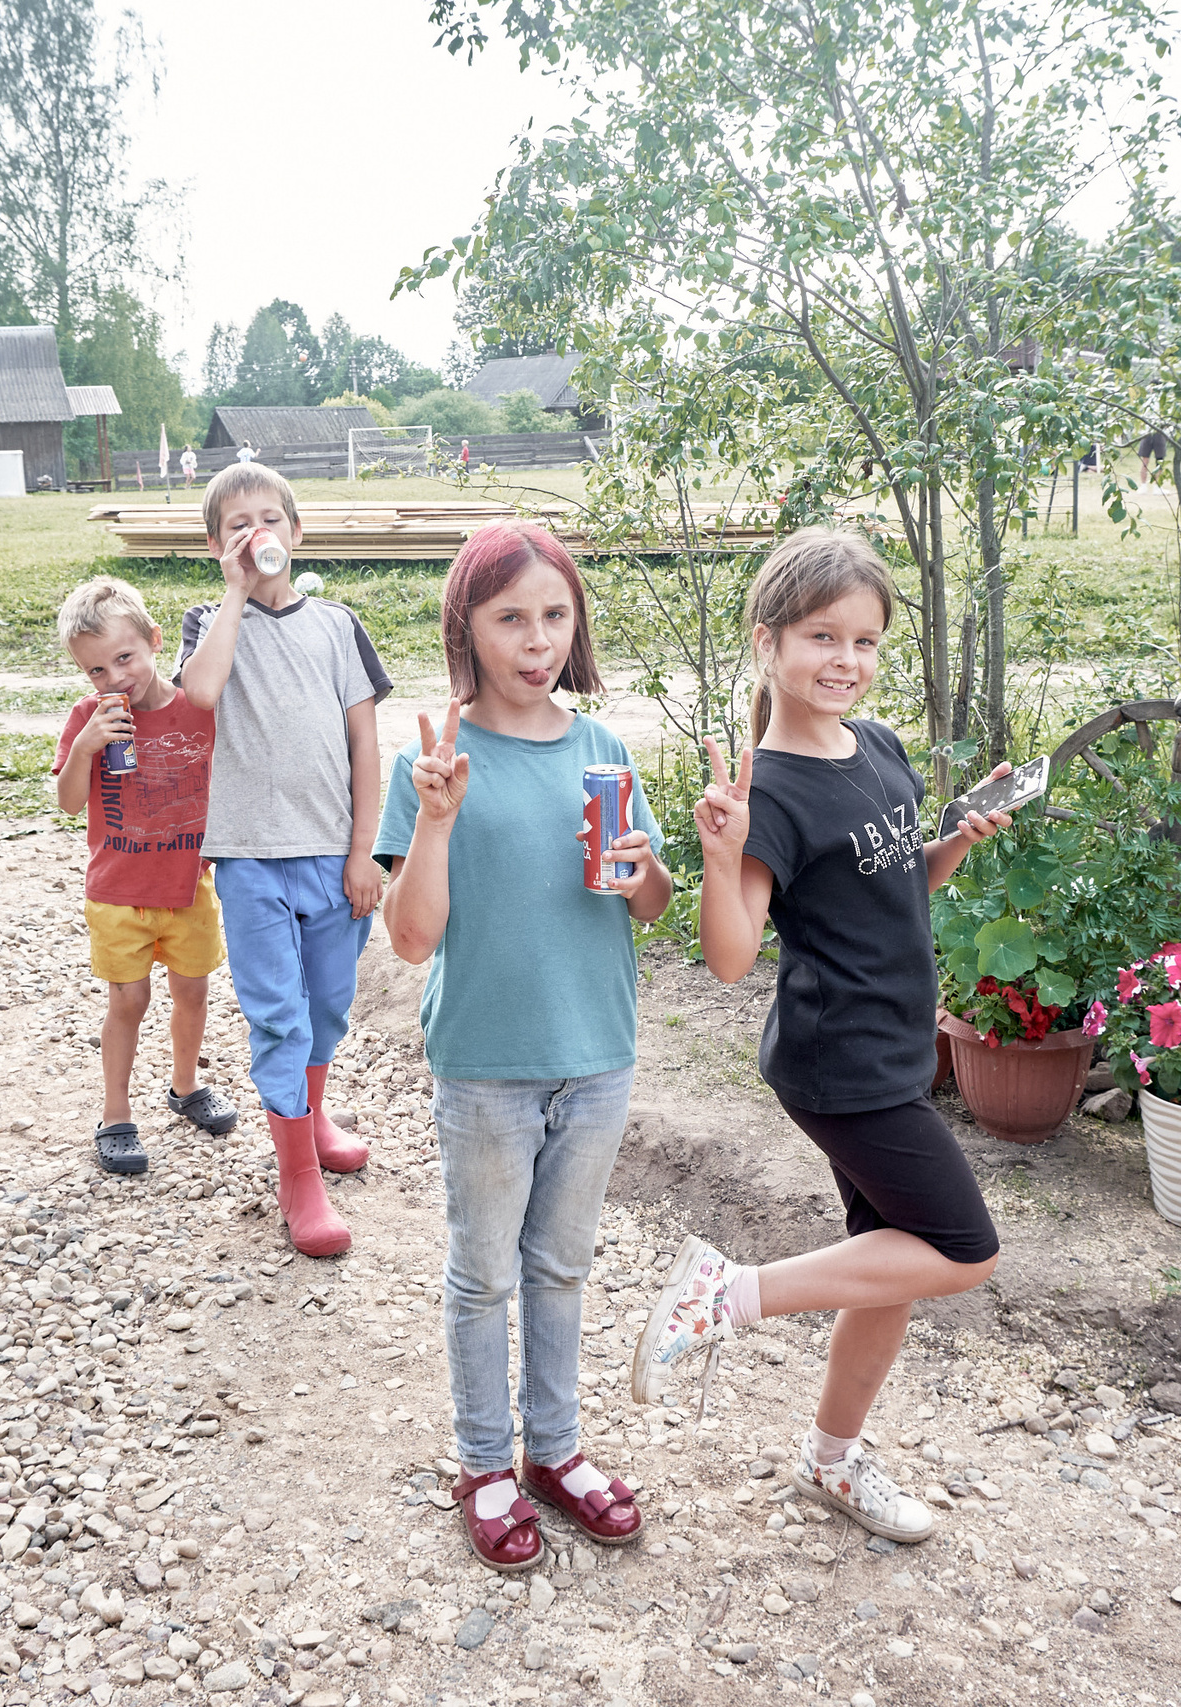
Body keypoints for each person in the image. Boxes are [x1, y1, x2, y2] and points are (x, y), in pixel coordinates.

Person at [629, 528, 1012, 1545]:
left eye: (866, 641)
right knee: (962, 1249)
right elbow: (728, 955)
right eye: (820, 637)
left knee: (890, 1258)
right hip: (840, 1064)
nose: (845, 660)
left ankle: (831, 1463)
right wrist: (721, 855)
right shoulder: (774, 793)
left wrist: (951, 848)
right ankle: (728, 1293)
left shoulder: (876, 747)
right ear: (768, 644)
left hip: (889, 1045)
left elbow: (888, 885)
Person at [375, 520, 673, 1572]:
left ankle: (554, 1451)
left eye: (554, 615)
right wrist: (439, 819)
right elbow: (411, 938)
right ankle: (484, 1463)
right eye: (510, 618)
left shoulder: (604, 751)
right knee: (483, 1275)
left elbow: (652, 909)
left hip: (597, 1056)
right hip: (485, 1064)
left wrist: (645, 874)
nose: (536, 639)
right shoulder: (436, 763)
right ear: (469, 627)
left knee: (559, 1267)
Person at [179, 462, 395, 1256]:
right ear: (215, 546)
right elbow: (201, 694)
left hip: (331, 856)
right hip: (248, 859)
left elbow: (365, 743)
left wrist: (363, 851)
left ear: (297, 533)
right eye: (238, 524)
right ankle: (297, 1176)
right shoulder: (210, 620)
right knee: (278, 1014)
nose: (257, 532)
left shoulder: (336, 625)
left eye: (271, 518)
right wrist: (237, 590)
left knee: (328, 1004)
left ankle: (315, 1116)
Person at [51, 576, 240, 1176]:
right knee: (128, 1000)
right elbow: (67, 804)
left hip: (189, 886)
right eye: (96, 671)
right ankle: (115, 1114)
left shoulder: (198, 708)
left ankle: (185, 1086)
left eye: (124, 658)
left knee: (192, 990)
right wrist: (85, 747)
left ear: (156, 641)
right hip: (118, 892)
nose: (114, 679)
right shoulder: (90, 718)